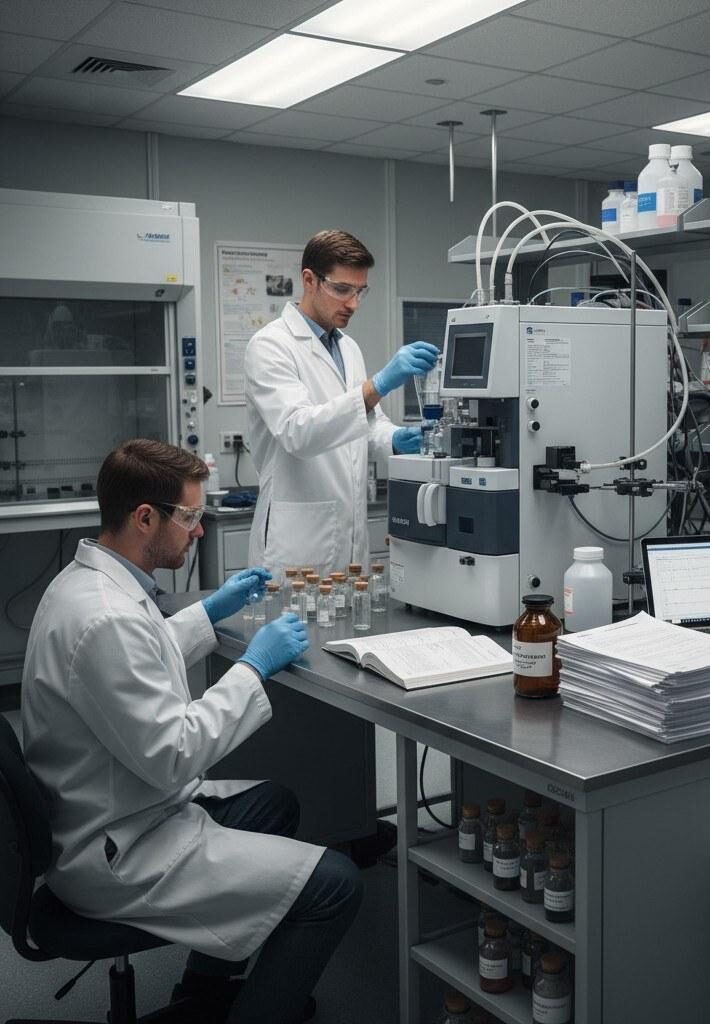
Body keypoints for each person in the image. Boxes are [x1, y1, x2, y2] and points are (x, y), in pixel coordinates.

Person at [20, 439, 364, 1024]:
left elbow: (136, 664)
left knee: (273, 804)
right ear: (145, 517)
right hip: (117, 851)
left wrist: (210, 612)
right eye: (190, 517)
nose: (198, 531)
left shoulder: (91, 584)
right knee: (337, 884)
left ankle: (200, 996)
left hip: (113, 808)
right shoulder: (104, 616)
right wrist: (254, 667)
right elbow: (174, 753)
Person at [245, 229, 438, 574]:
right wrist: (377, 384)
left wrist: (392, 438)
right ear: (309, 280)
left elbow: (366, 423)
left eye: (360, 291)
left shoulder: (348, 348)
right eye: (342, 289)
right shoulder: (270, 345)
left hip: (350, 541)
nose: (353, 304)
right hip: (296, 545)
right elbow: (298, 431)